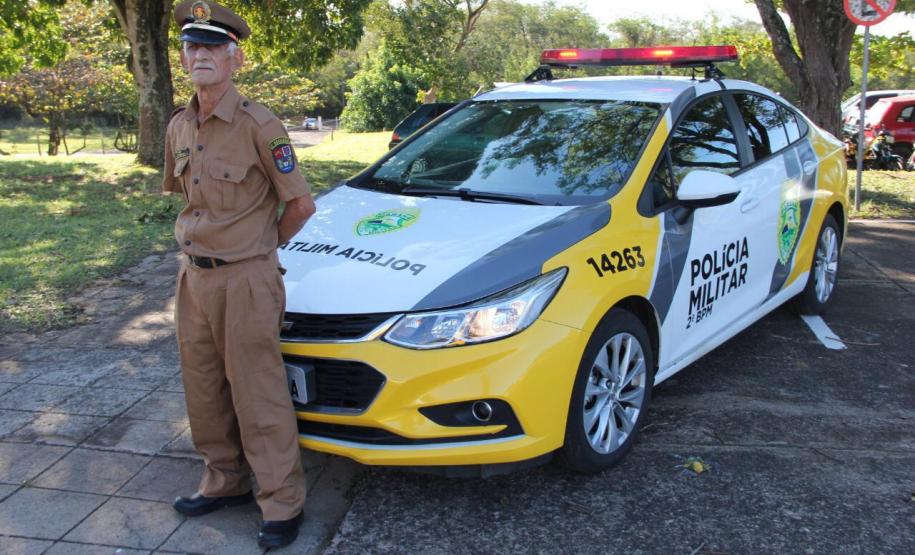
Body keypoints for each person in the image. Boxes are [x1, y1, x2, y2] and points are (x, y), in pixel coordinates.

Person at [161, 1, 316, 548]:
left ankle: (282, 501)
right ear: (183, 58)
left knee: (257, 392)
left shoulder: (259, 123)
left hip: (246, 278)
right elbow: (183, 197)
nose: (200, 55)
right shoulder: (180, 124)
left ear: (235, 58)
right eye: (191, 46)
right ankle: (223, 480)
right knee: (203, 387)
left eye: (212, 47)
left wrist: (254, 250)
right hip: (193, 279)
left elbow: (299, 205)